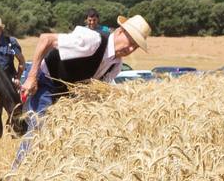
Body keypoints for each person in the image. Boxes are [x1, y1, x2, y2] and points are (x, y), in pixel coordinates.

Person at [21, 14, 150, 116]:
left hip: (66, 94)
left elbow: (95, 89)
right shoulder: (93, 40)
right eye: (131, 42)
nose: (131, 49)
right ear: (120, 32)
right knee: (38, 131)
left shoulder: (115, 65)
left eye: (135, 47)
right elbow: (46, 39)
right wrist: (32, 77)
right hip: (45, 80)